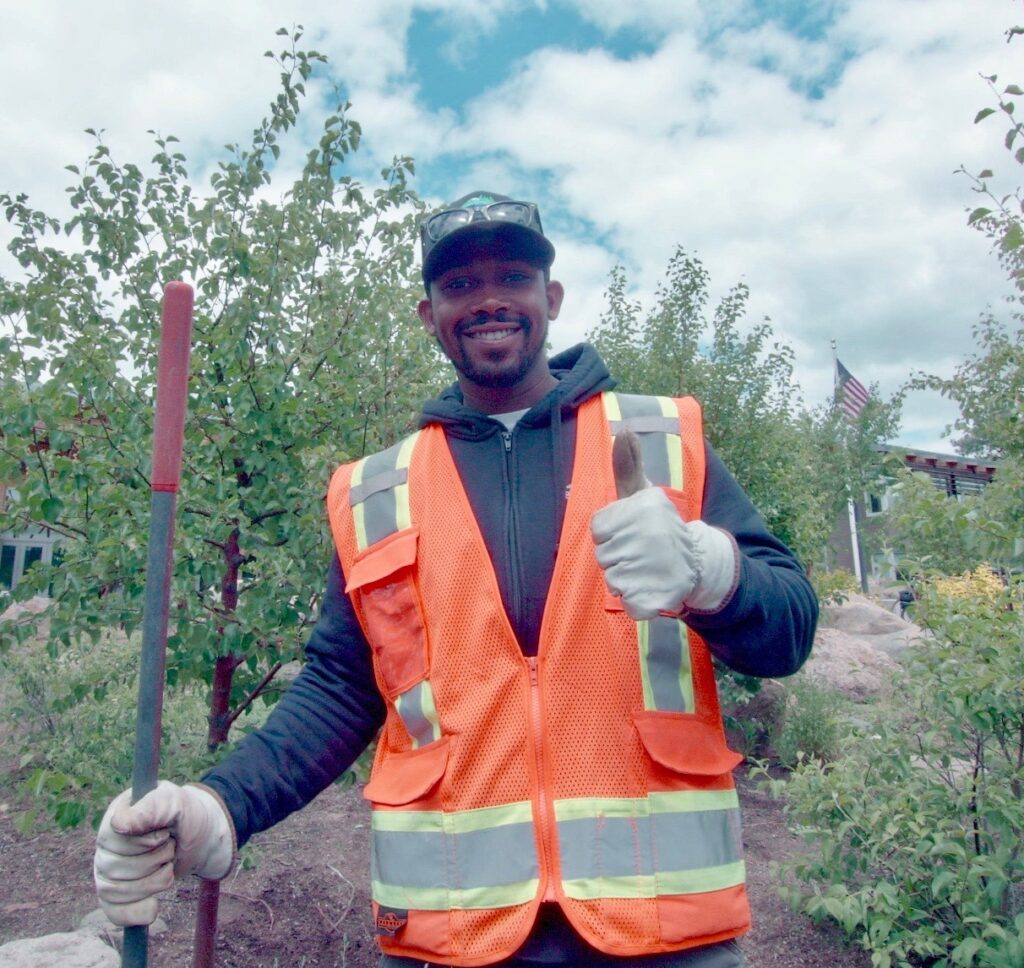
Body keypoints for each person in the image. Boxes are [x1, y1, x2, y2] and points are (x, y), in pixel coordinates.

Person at [94, 191, 818, 967]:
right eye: (460, 286)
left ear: (553, 297)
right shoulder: (378, 491)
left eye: (512, 275)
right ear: (428, 313)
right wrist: (219, 808)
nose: (488, 301)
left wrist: (713, 573)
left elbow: (790, 631)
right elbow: (341, 688)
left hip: (668, 935)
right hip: (454, 935)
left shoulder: (661, 438)